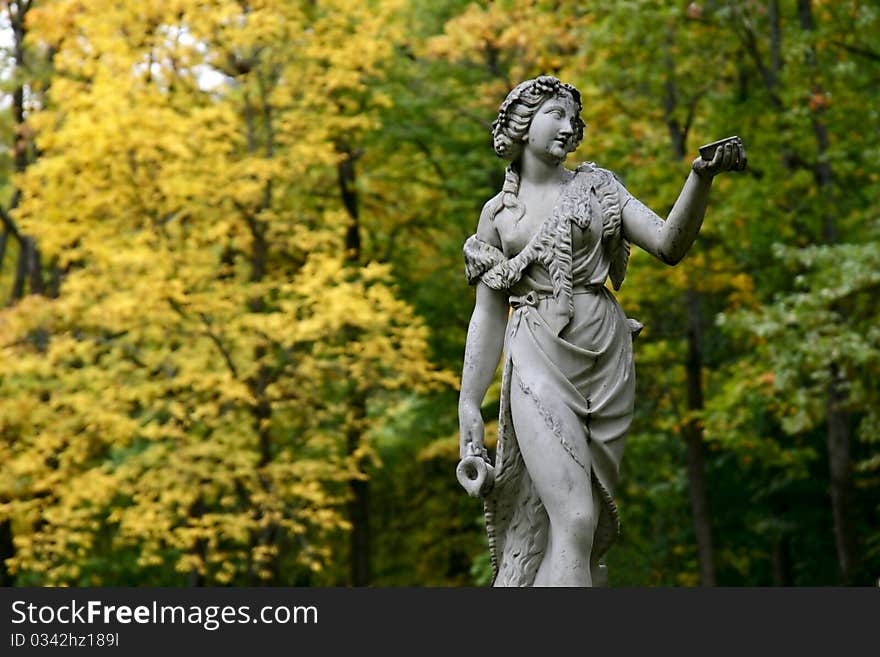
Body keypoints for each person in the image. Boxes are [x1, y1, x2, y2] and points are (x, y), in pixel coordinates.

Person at [458, 75, 745, 587]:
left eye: (575, 119)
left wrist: (700, 177)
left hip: (607, 359)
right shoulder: (500, 215)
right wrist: (468, 409)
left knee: (586, 529)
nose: (569, 128)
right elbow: (487, 316)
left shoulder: (599, 188)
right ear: (522, 125)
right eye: (557, 115)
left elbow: (668, 244)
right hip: (537, 354)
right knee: (575, 517)